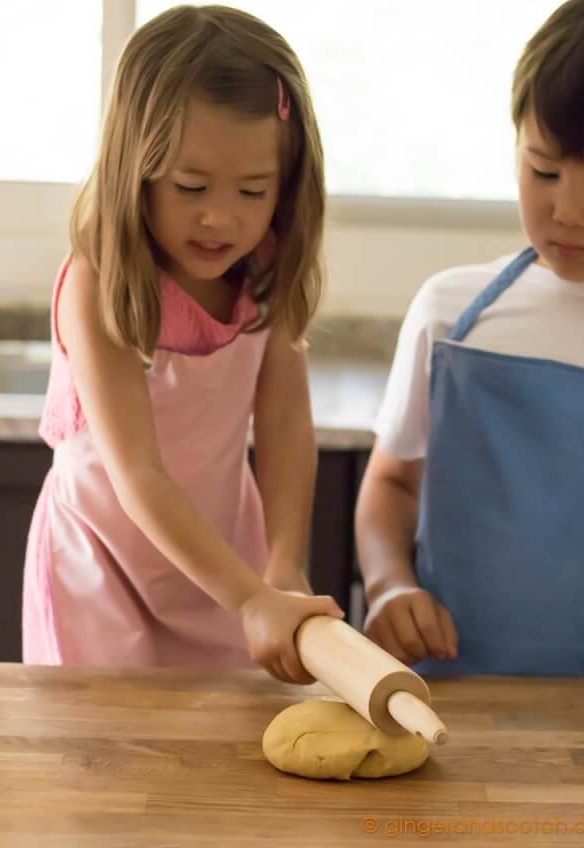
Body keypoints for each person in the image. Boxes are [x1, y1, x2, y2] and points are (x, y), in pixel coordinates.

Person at [22, 4, 343, 681]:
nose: (220, 216)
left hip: (222, 561)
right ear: (134, 169)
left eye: (252, 191)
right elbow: (137, 472)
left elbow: (285, 426)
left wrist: (279, 567)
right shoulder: (98, 281)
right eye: (190, 186)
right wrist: (252, 596)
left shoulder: (265, 269)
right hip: (103, 569)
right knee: (106, 759)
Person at [355, 0, 584, 706]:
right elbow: (389, 487)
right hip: (452, 705)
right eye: (543, 170)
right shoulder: (452, 316)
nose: (566, 210)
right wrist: (391, 586)